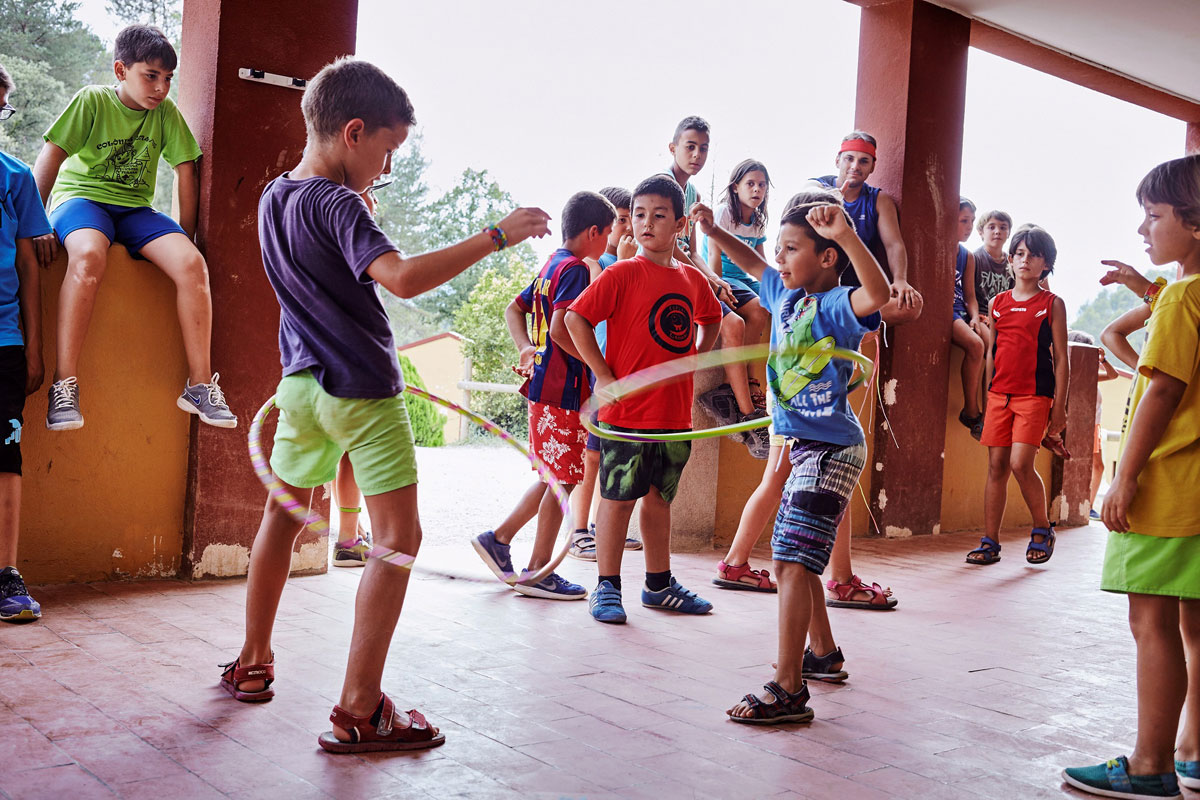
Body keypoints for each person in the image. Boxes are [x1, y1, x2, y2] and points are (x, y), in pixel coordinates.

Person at [220, 58, 550, 755]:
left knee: (282, 517)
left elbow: (320, 273)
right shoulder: (339, 204)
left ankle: (253, 661)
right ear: (353, 131)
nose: (386, 166)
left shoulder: (276, 196)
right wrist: (498, 235)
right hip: (362, 391)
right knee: (397, 542)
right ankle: (360, 707)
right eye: (387, 152)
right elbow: (397, 279)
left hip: (300, 388)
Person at [696, 189, 889, 724]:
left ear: (826, 256)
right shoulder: (780, 292)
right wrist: (712, 233)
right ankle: (821, 654)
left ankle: (788, 687)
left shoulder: (834, 306)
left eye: (791, 249)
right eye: (778, 249)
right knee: (799, 559)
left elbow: (876, 293)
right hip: (804, 446)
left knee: (787, 560)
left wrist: (847, 234)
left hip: (830, 449)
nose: (778, 259)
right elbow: (752, 260)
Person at [1062, 154, 1200, 800]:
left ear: (1194, 225)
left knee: (1152, 624)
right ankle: (1193, 751)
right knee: (1196, 624)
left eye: (1154, 217)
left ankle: (1150, 766)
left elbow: (1161, 394)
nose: (1144, 230)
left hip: (1169, 489)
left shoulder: (1181, 299)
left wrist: (1123, 479)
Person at [30, 24, 236, 431]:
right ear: (121, 70)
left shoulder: (165, 114)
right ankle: (64, 384)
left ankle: (198, 385)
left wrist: (186, 237)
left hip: (135, 210)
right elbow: (50, 158)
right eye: (151, 75)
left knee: (192, 265)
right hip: (81, 200)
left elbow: (185, 169)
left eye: (168, 79)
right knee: (89, 256)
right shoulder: (92, 100)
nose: (161, 88)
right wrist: (34, 222)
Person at [565, 175, 722, 624]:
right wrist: (603, 374)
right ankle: (608, 587)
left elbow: (711, 318)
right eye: (638, 215)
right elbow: (576, 319)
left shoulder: (692, 279)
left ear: (679, 225)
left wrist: (695, 356)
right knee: (617, 498)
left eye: (658, 215)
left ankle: (658, 584)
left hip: (673, 414)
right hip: (626, 414)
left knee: (659, 498)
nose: (647, 223)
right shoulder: (621, 273)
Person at [472, 191, 615, 600]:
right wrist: (598, 369)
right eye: (607, 233)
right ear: (593, 233)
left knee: (558, 477)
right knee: (561, 480)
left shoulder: (550, 265)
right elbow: (560, 329)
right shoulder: (575, 270)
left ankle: (506, 546)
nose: (606, 243)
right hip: (562, 391)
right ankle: (533, 565)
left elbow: (513, 310)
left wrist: (523, 348)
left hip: (543, 389)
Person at [966, 226, 1068, 566]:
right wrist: (985, 397)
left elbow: (1062, 358)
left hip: (1035, 396)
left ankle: (1042, 527)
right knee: (996, 466)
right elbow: (992, 353)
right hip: (999, 396)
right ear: (1010, 260)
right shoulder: (997, 303)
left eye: (1034, 255)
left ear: (1046, 264)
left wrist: (1060, 408)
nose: (1026, 261)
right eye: (1020, 254)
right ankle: (990, 541)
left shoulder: (1052, 304)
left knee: (1020, 463)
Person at [0, 64, 49, 622]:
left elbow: (29, 265)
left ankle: (6, 574)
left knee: (5, 456)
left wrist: (34, 348)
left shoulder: (15, 178)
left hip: (5, 344)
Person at [569, 186, 639, 560]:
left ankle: (599, 525)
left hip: (620, 372)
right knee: (591, 455)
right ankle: (579, 530)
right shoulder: (597, 266)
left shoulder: (627, 264)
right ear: (604, 228)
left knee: (610, 452)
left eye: (633, 220)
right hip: (600, 373)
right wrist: (615, 263)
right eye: (622, 221)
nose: (628, 229)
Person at [696, 159, 773, 457]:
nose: (756, 190)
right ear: (735, 187)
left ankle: (749, 372)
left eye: (762, 185)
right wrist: (718, 290)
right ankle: (742, 378)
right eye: (750, 184)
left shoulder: (758, 221)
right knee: (754, 311)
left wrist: (777, 290)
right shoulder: (724, 215)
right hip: (725, 278)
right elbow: (713, 257)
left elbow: (762, 264)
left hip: (743, 279)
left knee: (764, 309)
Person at [809, 131, 922, 325]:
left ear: (872, 167)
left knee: (911, 305)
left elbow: (894, 244)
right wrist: (831, 199)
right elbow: (806, 194)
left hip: (852, 292)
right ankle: (834, 319)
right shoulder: (816, 187)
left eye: (863, 161)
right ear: (837, 160)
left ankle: (834, 319)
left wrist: (900, 279)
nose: (855, 166)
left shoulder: (878, 200)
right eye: (849, 159)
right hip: (815, 285)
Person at [952, 198, 986, 439]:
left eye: (972, 222)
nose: (969, 227)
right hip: (947, 314)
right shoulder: (938, 249)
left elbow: (970, 295)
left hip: (964, 312)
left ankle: (992, 409)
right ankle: (971, 411)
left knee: (995, 343)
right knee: (976, 345)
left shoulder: (967, 256)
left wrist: (974, 317)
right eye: (964, 221)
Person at [972, 209, 1014, 324]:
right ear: (981, 232)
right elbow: (969, 296)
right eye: (991, 227)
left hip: (1003, 317)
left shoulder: (1011, 263)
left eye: (1003, 227)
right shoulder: (975, 259)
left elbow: (1013, 298)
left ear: (1009, 232)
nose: (997, 231)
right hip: (980, 315)